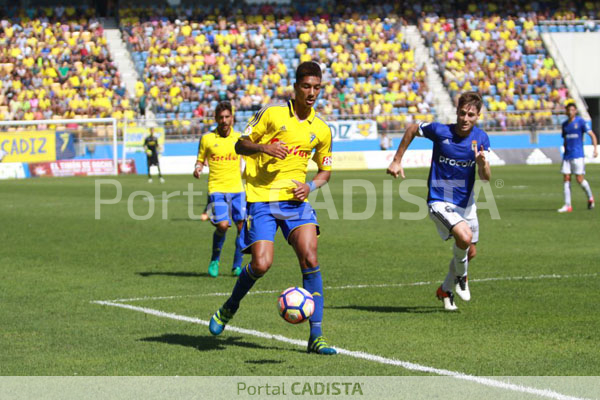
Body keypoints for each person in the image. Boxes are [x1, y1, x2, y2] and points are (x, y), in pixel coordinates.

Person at [208, 61, 336, 355]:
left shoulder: (322, 129)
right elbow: (240, 144)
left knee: (310, 256)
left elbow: (325, 171)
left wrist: (311, 187)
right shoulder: (272, 114)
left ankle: (316, 336)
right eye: (306, 86)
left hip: (296, 202)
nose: (312, 93)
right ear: (296, 87)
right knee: (261, 264)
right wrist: (265, 147)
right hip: (262, 198)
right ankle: (230, 306)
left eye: (317, 87)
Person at [387, 92, 491, 311]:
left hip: (466, 202)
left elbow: (485, 177)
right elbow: (413, 128)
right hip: (439, 199)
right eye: (462, 113)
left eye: (471, 115)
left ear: (478, 116)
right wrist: (397, 160)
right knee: (464, 237)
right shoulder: (441, 131)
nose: (465, 118)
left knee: (470, 251)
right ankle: (462, 277)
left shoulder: (481, 138)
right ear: (457, 112)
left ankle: (445, 289)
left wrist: (482, 163)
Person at [194, 101, 246, 277]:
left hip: (238, 189)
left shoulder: (240, 138)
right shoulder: (207, 139)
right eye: (221, 117)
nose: (224, 120)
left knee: (241, 227)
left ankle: (237, 265)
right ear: (216, 118)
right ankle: (215, 259)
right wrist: (198, 168)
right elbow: (200, 159)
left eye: (227, 117)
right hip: (216, 188)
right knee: (223, 225)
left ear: (232, 118)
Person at [557, 102, 598, 212]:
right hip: (567, 156)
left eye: (572, 110)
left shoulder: (580, 122)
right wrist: (565, 151)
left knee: (579, 179)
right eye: (568, 110)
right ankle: (568, 205)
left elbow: (592, 135)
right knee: (566, 178)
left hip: (578, 155)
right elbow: (565, 139)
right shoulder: (565, 124)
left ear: (575, 111)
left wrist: (595, 149)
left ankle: (590, 197)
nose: (570, 112)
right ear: (566, 111)